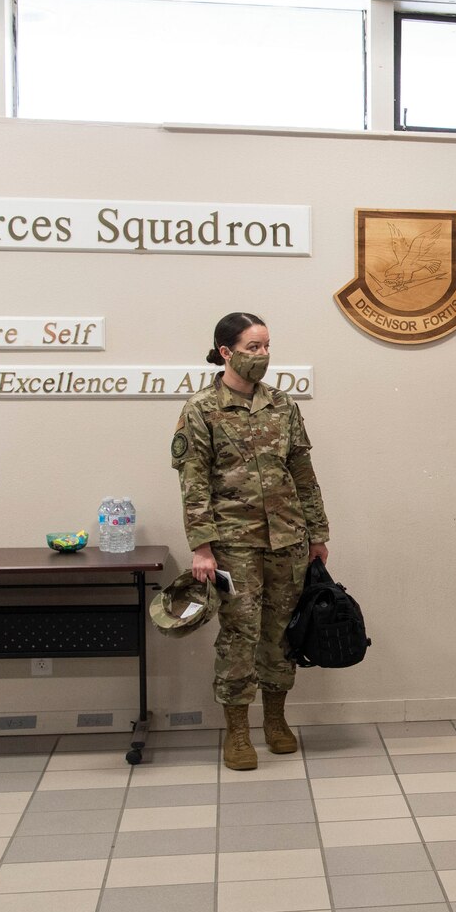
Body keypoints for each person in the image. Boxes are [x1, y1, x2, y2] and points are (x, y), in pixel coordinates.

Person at [173, 312, 329, 770]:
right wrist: (201, 546)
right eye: (252, 348)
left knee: (281, 635)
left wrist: (317, 532)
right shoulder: (201, 409)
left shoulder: (282, 405)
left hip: (288, 539)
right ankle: (238, 732)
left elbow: (302, 472)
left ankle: (276, 722)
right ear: (226, 352)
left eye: (266, 347)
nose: (262, 356)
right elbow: (193, 482)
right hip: (233, 545)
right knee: (240, 637)